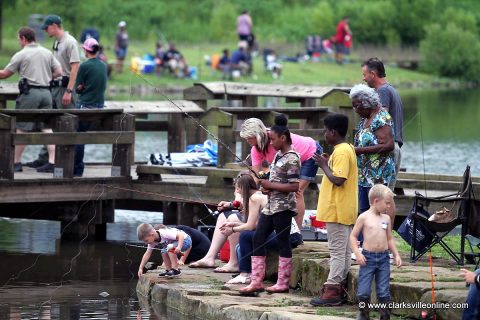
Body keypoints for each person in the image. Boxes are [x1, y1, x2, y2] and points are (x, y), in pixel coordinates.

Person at [239, 115, 301, 295]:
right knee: (257, 237)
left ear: (283, 138)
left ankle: (283, 283)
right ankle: (256, 280)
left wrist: (270, 185)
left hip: (284, 208)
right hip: (271, 204)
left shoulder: (292, 158)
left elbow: (294, 186)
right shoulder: (278, 156)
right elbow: (273, 179)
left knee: (283, 242)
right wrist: (266, 188)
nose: (270, 143)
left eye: (273, 139)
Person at [239, 117, 322, 235]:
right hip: (287, 163)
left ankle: (295, 233)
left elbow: (290, 163)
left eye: (249, 138)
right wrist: (260, 185)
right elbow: (256, 174)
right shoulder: (255, 149)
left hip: (309, 153)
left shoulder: (275, 139)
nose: (247, 140)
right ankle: (283, 229)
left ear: (257, 135)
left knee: (296, 192)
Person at [309, 114, 358, 307]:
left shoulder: (343, 151)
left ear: (333, 132)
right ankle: (340, 287)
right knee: (344, 251)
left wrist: (322, 165)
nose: (324, 134)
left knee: (337, 251)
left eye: (325, 130)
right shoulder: (345, 150)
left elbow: (339, 179)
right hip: (343, 210)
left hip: (337, 210)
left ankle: (332, 290)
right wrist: (327, 162)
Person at [0, 27, 62, 173]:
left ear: (23, 38)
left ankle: (16, 163)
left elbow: (4, 74)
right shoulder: (47, 52)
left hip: (30, 94)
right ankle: (52, 162)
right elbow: (59, 72)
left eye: (18, 39)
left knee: (21, 128)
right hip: (47, 94)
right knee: (47, 127)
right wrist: (46, 78)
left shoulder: (22, 54)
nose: (18, 42)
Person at [27, 15, 80, 171]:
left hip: (65, 88)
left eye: (47, 27)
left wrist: (69, 91)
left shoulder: (70, 42)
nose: (45, 30)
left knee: (67, 125)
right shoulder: (57, 41)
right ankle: (46, 159)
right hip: (54, 87)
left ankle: (65, 163)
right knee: (49, 122)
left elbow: (75, 68)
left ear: (55, 26)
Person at [189, 172, 267, 273]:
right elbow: (242, 207)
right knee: (223, 216)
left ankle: (234, 263)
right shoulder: (255, 194)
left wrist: (233, 228)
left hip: (267, 229)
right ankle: (209, 258)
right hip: (259, 224)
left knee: (233, 218)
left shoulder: (255, 197)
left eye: (238, 189)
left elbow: (250, 224)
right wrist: (230, 205)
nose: (237, 192)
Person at [350, 184, 402, 320]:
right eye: (387, 203)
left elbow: (389, 238)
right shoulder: (364, 217)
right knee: (363, 292)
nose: (389, 206)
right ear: (376, 201)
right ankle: (363, 314)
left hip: (384, 258)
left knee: (384, 292)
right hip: (368, 258)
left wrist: (396, 254)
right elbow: (353, 236)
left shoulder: (386, 219)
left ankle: (385, 316)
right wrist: (358, 253)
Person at [350, 84, 395, 214]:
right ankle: (365, 234)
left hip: (377, 174)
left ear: (367, 103)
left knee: (376, 211)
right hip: (364, 174)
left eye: (356, 105)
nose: (355, 109)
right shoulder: (365, 118)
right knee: (364, 211)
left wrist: (360, 150)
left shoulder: (381, 118)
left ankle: (378, 234)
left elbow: (389, 145)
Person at [362, 58, 404, 189]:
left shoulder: (382, 91)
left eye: (365, 75)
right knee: (386, 196)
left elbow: (380, 119)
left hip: (386, 149)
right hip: (393, 146)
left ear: (373, 74)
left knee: (380, 196)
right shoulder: (390, 89)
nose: (363, 79)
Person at [226, 218, 302, 285]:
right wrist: (238, 225)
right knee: (242, 243)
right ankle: (251, 273)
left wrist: (233, 229)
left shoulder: (255, 201)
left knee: (245, 235)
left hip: (287, 237)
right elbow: (259, 226)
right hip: (292, 236)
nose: (239, 207)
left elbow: (252, 227)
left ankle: (245, 274)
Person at [73, 38, 108, 177]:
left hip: (85, 105)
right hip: (99, 106)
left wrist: (81, 87)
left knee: (78, 136)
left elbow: (78, 89)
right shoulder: (103, 65)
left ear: (86, 50)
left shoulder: (84, 66)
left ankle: (77, 169)